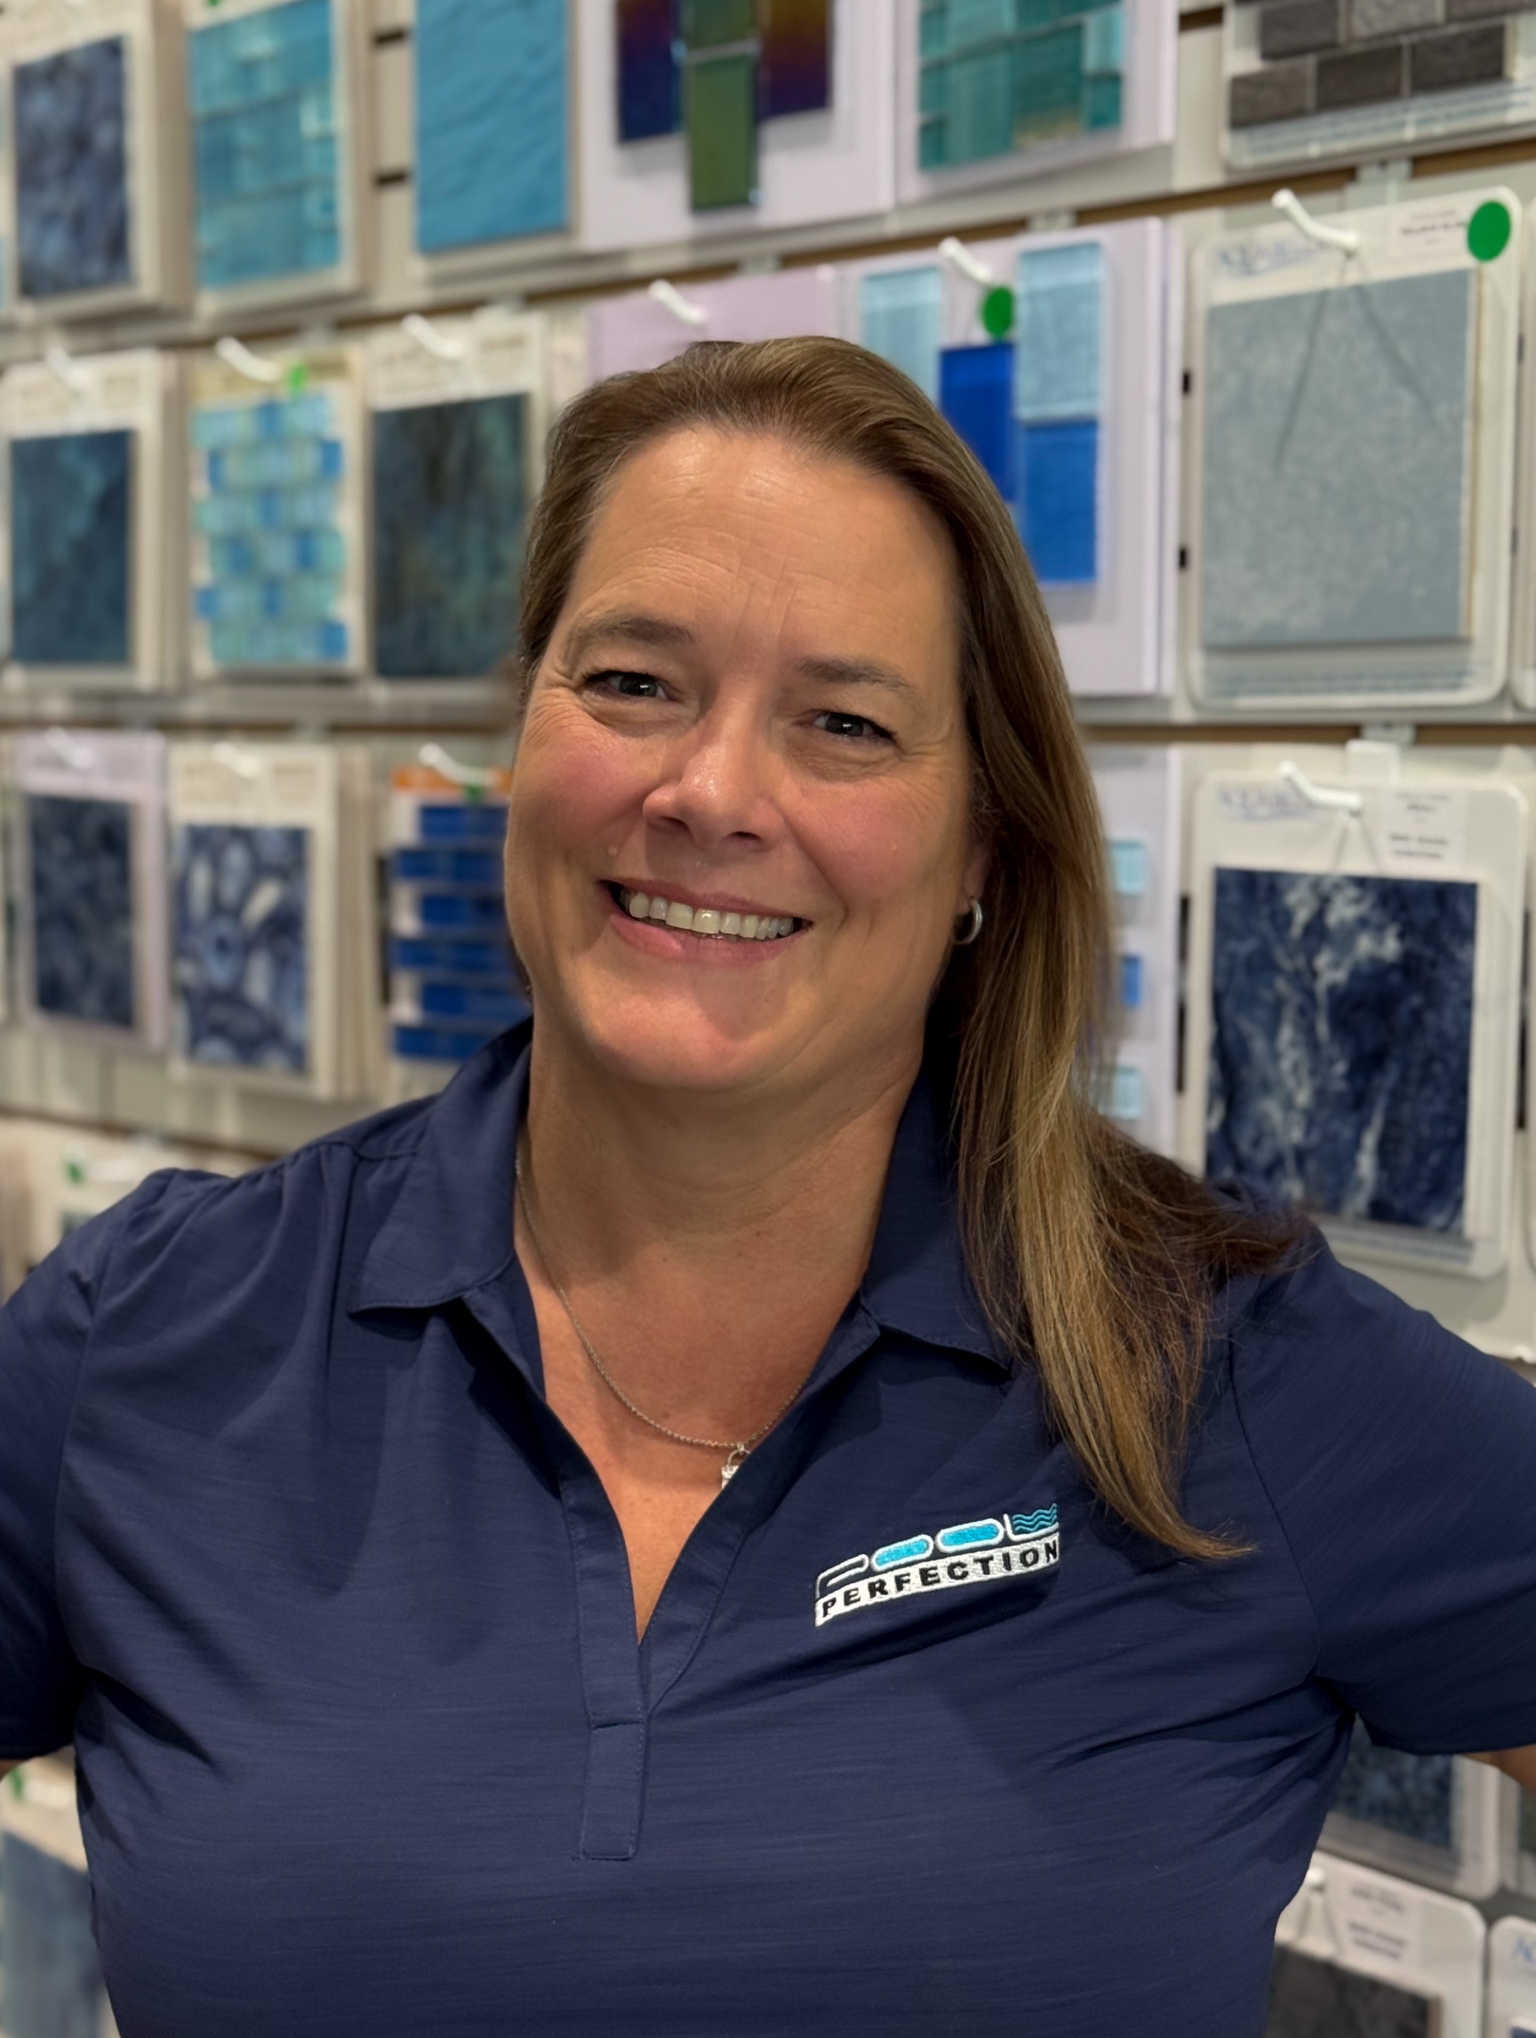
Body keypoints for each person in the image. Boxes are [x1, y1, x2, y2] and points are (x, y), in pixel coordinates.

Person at [0, 337, 1533, 2038]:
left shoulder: (1222, 1373)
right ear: (522, 737)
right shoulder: (154, 1335)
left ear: (981, 848)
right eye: (633, 682)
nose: (713, 793)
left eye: (846, 724)